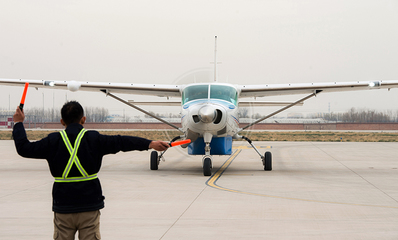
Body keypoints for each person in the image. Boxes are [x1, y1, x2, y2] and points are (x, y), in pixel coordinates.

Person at [12, 101, 169, 240]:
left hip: (63, 206)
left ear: (61, 121)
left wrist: (19, 123)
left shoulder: (52, 141)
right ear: (83, 119)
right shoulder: (94, 139)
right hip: (89, 205)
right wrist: (149, 143)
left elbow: (24, 148)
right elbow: (122, 141)